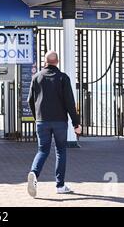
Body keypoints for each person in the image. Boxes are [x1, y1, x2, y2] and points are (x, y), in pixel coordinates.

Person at [27, 50, 82, 197]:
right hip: (59, 122)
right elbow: (70, 102)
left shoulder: (36, 77)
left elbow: (29, 101)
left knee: (42, 150)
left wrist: (37, 117)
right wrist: (76, 124)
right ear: (57, 62)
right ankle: (60, 185)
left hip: (42, 121)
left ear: (45, 62)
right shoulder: (63, 78)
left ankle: (34, 172)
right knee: (60, 151)